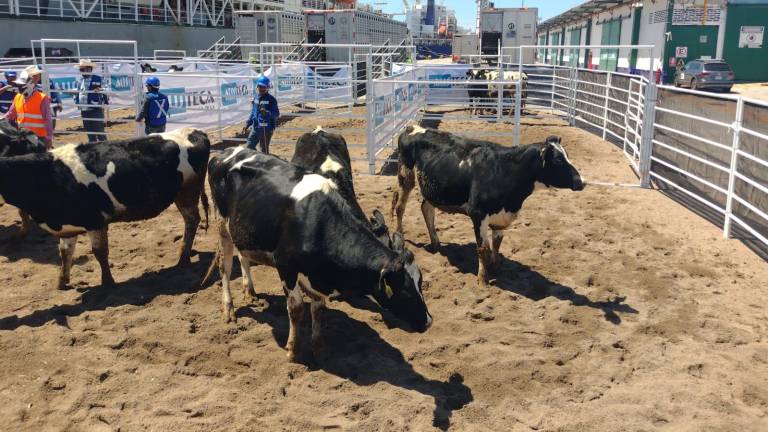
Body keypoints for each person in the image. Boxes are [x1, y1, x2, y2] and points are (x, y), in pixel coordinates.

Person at [1, 66, 54, 150]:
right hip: (22, 137)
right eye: (18, 85)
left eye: (21, 85)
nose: (19, 87)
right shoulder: (18, 97)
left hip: (38, 138)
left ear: (30, 84)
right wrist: (1, 120)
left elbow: (48, 120)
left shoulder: (42, 98)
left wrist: (48, 138)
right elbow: (11, 114)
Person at [74, 59, 108, 142]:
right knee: (90, 134)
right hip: (84, 111)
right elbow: (77, 92)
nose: (81, 72)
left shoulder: (99, 79)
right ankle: (93, 147)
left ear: (89, 69)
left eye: (82, 69)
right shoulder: (80, 81)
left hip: (95, 110)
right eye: (80, 70)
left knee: (100, 132)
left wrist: (101, 89)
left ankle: (104, 148)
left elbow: (108, 89)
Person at [243, 75, 279, 154]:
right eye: (260, 86)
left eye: (264, 87)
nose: (261, 89)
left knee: (264, 151)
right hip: (255, 128)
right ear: (257, 87)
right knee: (249, 147)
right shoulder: (256, 97)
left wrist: (267, 113)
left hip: (266, 129)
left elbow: (276, 113)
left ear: (268, 87)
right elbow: (253, 112)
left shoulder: (271, 99)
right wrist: (248, 124)